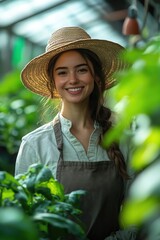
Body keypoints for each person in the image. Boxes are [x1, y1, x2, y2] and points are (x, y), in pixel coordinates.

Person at [15, 26, 136, 240]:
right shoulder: (35, 145)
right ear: (53, 82)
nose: (73, 79)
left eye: (82, 69)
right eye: (62, 72)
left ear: (96, 76)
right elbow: (25, 221)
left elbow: (138, 209)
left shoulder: (123, 135)